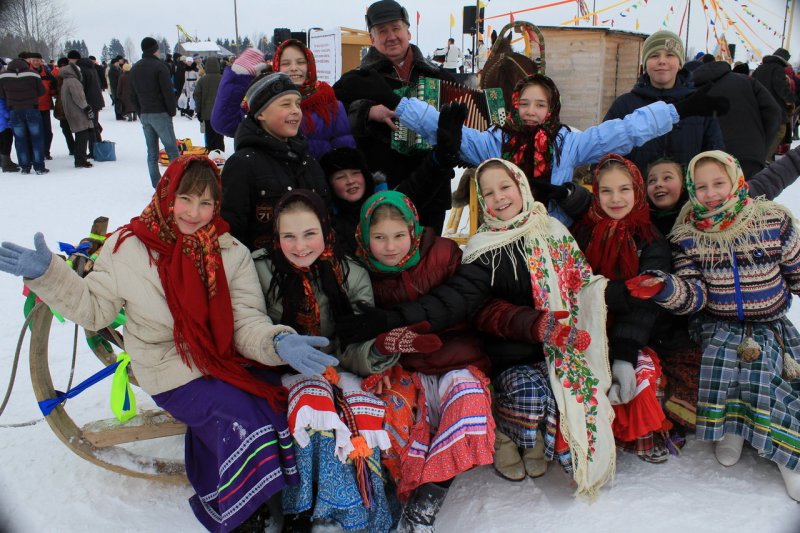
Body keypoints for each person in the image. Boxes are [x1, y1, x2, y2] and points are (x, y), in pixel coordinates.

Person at [0, 155, 343, 531]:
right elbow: (95, 310)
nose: (194, 213)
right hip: (167, 368)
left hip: (223, 359)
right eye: (186, 199)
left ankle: (274, 498)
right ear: (168, 194)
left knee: (271, 407)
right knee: (239, 417)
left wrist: (278, 343)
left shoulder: (229, 251)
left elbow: (246, 322)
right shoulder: (127, 247)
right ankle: (242, 511)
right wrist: (48, 276)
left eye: (206, 203)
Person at [338, 159, 615, 497]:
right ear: (481, 201)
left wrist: (617, 296)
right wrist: (384, 337)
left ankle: (532, 441)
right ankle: (493, 444)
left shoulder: (553, 230)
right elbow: (462, 302)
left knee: (567, 394)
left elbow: (581, 282)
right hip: (504, 349)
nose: (499, 198)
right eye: (488, 192)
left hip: (546, 343)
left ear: (520, 186)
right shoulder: (480, 249)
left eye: (505, 187)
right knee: (519, 391)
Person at [334, 70, 727, 225]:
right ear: (515, 106)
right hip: (501, 236)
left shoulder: (567, 143)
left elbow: (623, 132)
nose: (533, 111)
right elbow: (441, 127)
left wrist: (679, 109)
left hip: (552, 237)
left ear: (552, 107)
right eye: (525, 104)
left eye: (541, 104)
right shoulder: (494, 141)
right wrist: (397, 101)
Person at [628, 150, 800, 501]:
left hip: (770, 324)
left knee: (763, 371)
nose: (711, 193)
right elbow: (695, 295)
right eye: (702, 187)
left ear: (736, 180)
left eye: (719, 183)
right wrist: (665, 287)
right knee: (725, 367)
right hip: (717, 323)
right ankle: (732, 431)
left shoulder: (772, 221)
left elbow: (797, 272)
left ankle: (789, 458)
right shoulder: (688, 236)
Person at [253, 189, 407, 533]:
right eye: (288, 236)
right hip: (278, 369)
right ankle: (297, 513)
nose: (300, 246)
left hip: (338, 367)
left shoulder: (349, 272)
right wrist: (279, 347)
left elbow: (355, 341)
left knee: (358, 416)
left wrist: (376, 353)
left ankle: (354, 511)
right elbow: (249, 323)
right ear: (276, 237)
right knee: (312, 407)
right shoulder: (260, 269)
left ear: (325, 230)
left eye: (309, 234)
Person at [352, 190, 495, 531]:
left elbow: (468, 302)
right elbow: (357, 330)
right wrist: (380, 356)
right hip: (406, 367)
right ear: (363, 236)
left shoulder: (444, 253)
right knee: (388, 412)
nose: (390, 246)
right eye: (380, 237)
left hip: (455, 360)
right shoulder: (361, 274)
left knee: (469, 402)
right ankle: (400, 486)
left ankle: (428, 497)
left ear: (414, 231)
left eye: (399, 235)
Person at [571, 154, 671, 463]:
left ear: (638, 191)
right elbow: (575, 286)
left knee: (638, 377)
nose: (616, 199)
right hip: (587, 330)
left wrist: (624, 355)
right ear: (596, 193)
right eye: (606, 191)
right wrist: (617, 292)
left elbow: (644, 300)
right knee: (578, 381)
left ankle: (635, 435)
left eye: (624, 189)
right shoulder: (583, 232)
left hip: (634, 335)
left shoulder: (651, 239)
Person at [333, 0, 456, 232]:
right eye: (382, 31)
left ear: (408, 31)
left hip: (433, 189)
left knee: (430, 259)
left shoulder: (437, 76)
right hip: (384, 188)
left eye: (396, 28)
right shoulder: (357, 80)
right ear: (372, 38)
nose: (391, 36)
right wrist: (367, 111)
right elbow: (332, 116)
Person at [318, 102, 466, 254]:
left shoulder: (385, 203)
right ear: (330, 184)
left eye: (355, 173)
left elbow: (419, 185)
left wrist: (443, 155)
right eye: (340, 177)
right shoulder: (330, 224)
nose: (350, 181)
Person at [220, 72, 330, 251]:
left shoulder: (308, 160)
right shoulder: (242, 165)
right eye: (285, 104)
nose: (295, 110)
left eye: (297, 104)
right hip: (263, 271)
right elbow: (232, 233)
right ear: (261, 113)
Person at [603, 30, 725, 176]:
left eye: (670, 55)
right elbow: (607, 154)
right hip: (636, 196)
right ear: (645, 64)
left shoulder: (698, 105)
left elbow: (714, 156)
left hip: (687, 197)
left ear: (680, 63)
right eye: (654, 56)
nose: (662, 61)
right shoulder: (624, 105)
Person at [211, 40, 355, 160]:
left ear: (310, 65)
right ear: (276, 67)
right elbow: (224, 124)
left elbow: (345, 154)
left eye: (300, 62)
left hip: (318, 189)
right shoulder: (264, 104)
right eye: (286, 63)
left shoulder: (330, 104)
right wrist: (237, 78)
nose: (294, 68)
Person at [692, 57, 781, 178]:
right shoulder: (746, 81)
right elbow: (774, 112)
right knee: (749, 195)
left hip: (709, 162)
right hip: (750, 156)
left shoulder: (691, 90)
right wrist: (761, 145)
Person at [130, 37, 180, 187]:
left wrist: (140, 112)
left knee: (152, 153)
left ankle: (157, 184)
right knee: (172, 151)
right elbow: (167, 92)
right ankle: (175, 184)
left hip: (145, 113)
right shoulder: (160, 67)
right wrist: (171, 111)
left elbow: (132, 94)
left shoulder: (135, 68)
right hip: (159, 113)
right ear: (155, 49)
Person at [0, 56, 47, 174]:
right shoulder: (33, 74)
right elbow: (42, 91)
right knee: (36, 139)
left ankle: (25, 167)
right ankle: (39, 167)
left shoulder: (3, 76)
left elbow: (1, 94)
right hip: (32, 108)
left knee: (20, 140)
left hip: (14, 111)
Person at [753, 48, 795, 161]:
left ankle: (764, 156)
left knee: (764, 132)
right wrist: (790, 100)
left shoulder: (759, 69)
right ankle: (765, 158)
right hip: (775, 107)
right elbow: (781, 88)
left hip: (759, 107)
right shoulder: (778, 69)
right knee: (780, 131)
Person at [58, 61, 94, 168]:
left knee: (80, 136)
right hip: (78, 113)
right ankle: (81, 160)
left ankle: (80, 159)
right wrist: (86, 107)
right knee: (82, 136)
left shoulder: (66, 81)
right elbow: (79, 98)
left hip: (71, 112)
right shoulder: (74, 81)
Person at [192, 56, 224, 151]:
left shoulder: (202, 80)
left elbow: (197, 96)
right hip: (220, 113)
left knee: (209, 137)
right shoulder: (223, 79)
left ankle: (210, 157)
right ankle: (220, 158)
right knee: (219, 138)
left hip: (207, 114)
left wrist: (198, 111)